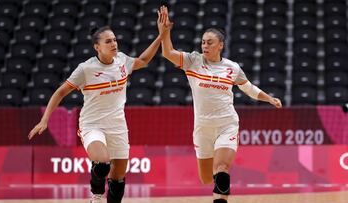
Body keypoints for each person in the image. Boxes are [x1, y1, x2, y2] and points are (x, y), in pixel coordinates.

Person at [28, 7, 168, 203]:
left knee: (118, 180)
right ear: (97, 47)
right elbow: (60, 92)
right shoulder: (85, 69)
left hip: (118, 126)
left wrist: (161, 36)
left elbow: (143, 60)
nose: (114, 44)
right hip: (92, 124)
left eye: (115, 40)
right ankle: (96, 195)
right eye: (108, 41)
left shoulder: (122, 60)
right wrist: (45, 120)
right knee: (102, 164)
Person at [158, 6, 282, 203]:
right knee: (207, 178)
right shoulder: (193, 61)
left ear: (220, 45)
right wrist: (164, 32)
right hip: (202, 128)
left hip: (227, 124)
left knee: (222, 169)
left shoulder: (232, 68)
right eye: (203, 42)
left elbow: (248, 88)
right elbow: (168, 52)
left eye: (209, 43)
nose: (205, 46)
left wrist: (268, 98)